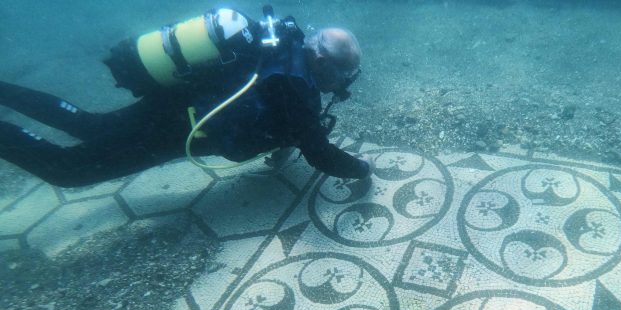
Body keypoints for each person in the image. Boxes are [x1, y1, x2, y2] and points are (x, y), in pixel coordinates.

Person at [0, 7, 374, 188]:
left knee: (85, 124)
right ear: (322, 60)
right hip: (178, 130)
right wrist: (363, 171)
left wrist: (282, 147)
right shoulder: (296, 90)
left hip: (174, 101)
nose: (342, 83)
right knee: (67, 170)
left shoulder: (281, 42)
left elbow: (281, 121)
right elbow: (321, 154)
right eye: (343, 73)